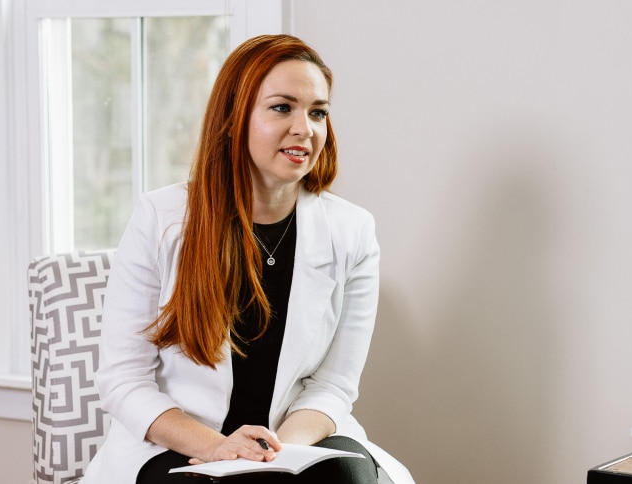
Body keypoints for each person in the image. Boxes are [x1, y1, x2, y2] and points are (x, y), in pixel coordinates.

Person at [83, 35, 413, 484]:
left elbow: (333, 386)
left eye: (318, 111)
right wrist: (219, 448)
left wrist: (274, 456)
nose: (306, 128)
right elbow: (124, 381)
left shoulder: (352, 231)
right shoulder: (160, 218)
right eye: (283, 108)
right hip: (183, 439)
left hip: (295, 436)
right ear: (235, 118)